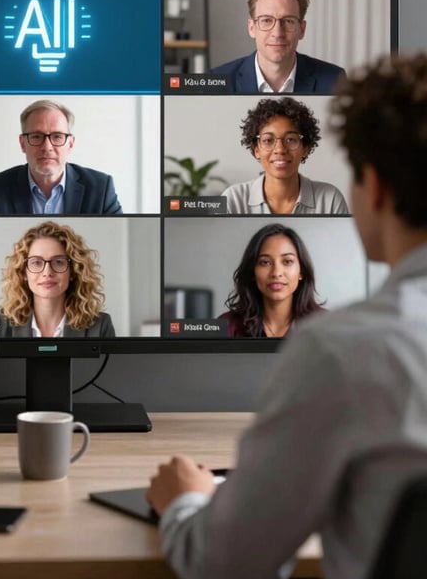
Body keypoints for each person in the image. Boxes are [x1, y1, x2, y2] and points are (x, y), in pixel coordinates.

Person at [147, 53, 427, 579]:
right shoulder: (237, 205)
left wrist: (187, 501)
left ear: (378, 188)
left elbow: (227, 564)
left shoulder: (340, 350)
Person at [0, 99, 122, 214]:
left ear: (70, 144)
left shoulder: (100, 188)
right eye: (36, 136)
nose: (47, 147)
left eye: (57, 136)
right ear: (23, 143)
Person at [210, 0, 345, 93]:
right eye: (266, 20)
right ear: (252, 28)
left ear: (302, 29)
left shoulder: (334, 80)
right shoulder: (215, 81)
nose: (278, 33)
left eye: (288, 21)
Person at [222, 96, 348, 215]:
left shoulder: (330, 199)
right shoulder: (232, 199)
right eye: (268, 140)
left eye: (290, 139)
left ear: (305, 148)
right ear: (256, 150)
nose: (280, 149)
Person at [0, 221, 115, 337]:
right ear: (24, 272)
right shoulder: (1, 322)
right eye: (36, 263)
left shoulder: (100, 325)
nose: (47, 272)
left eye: (58, 262)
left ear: (73, 271)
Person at [220, 223, 323, 338]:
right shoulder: (228, 325)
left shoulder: (326, 325)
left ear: (301, 271)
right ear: (252, 271)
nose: (276, 273)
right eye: (265, 262)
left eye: (287, 261)